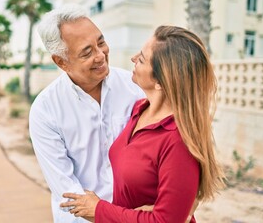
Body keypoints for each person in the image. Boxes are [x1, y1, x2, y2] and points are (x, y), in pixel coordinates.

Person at [60, 25, 226, 222]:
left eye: (141, 59)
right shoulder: (139, 110)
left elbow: (166, 221)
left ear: (160, 81)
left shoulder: (177, 139)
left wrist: (98, 210)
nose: (133, 58)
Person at [29, 4, 144, 223]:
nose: (101, 55)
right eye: (87, 52)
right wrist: (110, 215)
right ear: (61, 62)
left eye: (101, 42)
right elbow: (67, 189)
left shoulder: (134, 87)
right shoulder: (45, 110)